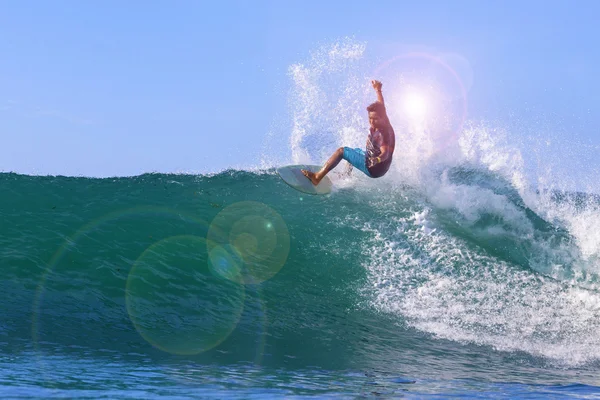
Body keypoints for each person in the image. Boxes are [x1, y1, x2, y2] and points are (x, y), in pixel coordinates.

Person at [302, 80, 395, 185]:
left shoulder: (382, 135)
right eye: (370, 118)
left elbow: (386, 153)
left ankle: (317, 177)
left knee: (341, 151)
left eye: (375, 119)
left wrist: (377, 160)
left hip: (373, 167)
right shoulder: (384, 119)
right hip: (379, 165)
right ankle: (346, 175)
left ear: (382, 118)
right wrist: (378, 90)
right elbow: (381, 104)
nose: (372, 122)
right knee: (354, 151)